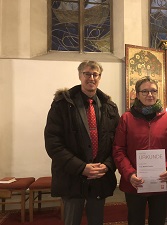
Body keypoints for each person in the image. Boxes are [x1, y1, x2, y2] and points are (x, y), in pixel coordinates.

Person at [44, 60, 120, 225]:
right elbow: (53, 143)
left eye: (95, 74)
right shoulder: (62, 104)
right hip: (72, 176)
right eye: (87, 74)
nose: (91, 78)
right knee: (72, 220)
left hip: (100, 175)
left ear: (99, 77)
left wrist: (107, 165)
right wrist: (81, 168)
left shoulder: (109, 107)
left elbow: (117, 143)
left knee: (96, 220)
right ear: (80, 76)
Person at [113, 76, 167, 225]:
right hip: (134, 182)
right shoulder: (126, 118)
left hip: (161, 181)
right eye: (145, 91)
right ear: (137, 94)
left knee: (158, 220)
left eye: (153, 91)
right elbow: (119, 149)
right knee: (135, 220)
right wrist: (130, 174)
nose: (150, 94)